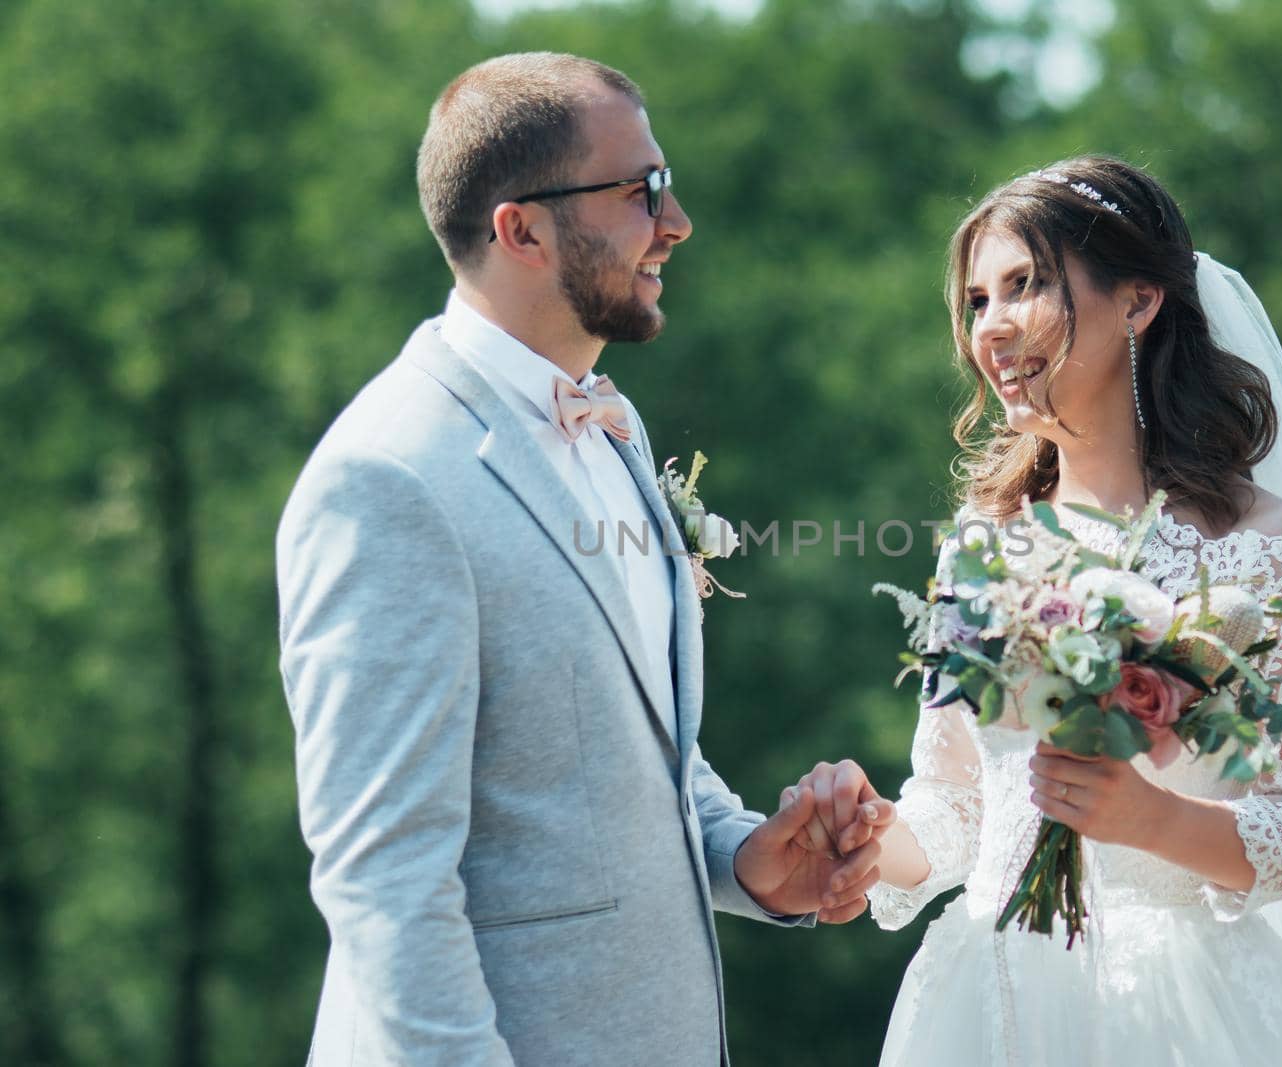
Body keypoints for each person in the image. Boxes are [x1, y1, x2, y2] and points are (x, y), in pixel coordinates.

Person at [790, 156, 1282, 1065]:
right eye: (976, 301)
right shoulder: (982, 549)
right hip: (987, 1005)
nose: (990, 327)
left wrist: (1150, 819)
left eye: (1023, 285)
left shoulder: (1267, 550)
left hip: (1185, 1017)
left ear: (1138, 301)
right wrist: (874, 840)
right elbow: (957, 805)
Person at [276, 52, 890, 1067]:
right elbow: (383, 877)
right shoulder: (388, 478)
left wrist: (745, 856)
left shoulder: (613, 429)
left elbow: (632, 756)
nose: (677, 220)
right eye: (640, 190)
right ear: (520, 228)